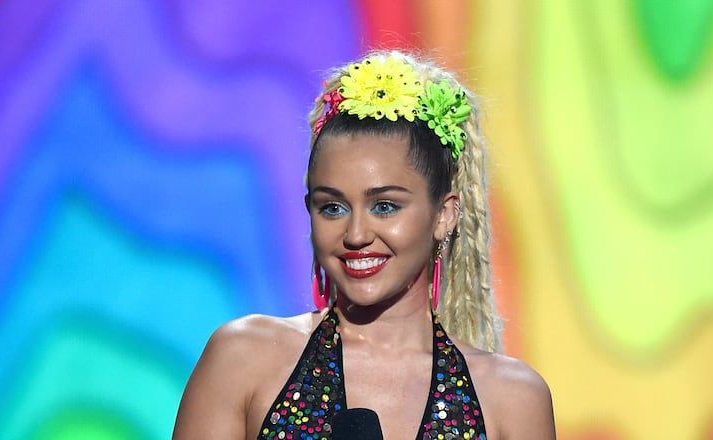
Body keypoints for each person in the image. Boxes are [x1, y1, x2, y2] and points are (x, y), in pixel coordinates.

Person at [173, 50, 556, 440]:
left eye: (384, 206)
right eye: (333, 207)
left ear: (444, 215)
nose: (356, 234)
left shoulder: (511, 398)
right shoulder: (244, 358)